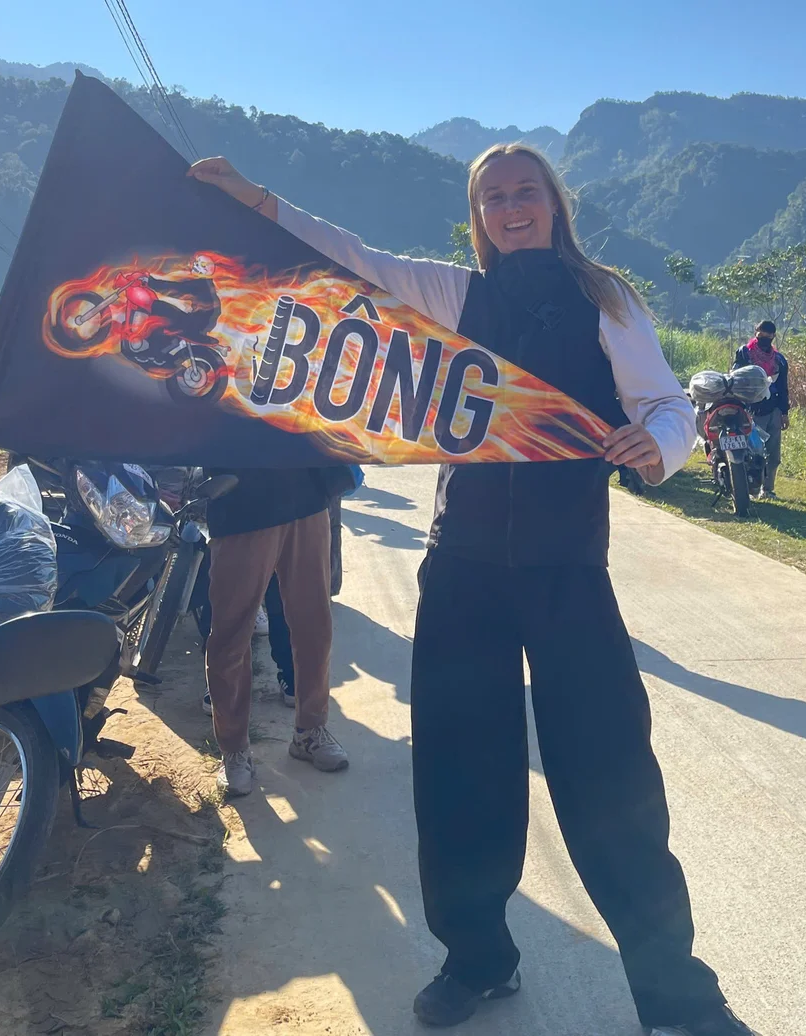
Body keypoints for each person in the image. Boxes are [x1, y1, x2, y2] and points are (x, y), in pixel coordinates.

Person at [189, 146, 760, 1036]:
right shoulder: (456, 293)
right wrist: (254, 200)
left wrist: (660, 446)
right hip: (461, 567)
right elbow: (350, 257)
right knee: (460, 771)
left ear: (555, 202)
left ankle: (676, 992)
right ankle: (478, 960)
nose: (511, 207)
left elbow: (663, 403)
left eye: (525, 191)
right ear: (477, 213)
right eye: (492, 196)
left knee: (612, 775)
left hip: (569, 564)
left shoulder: (604, 295)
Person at [201, 463, 353, 797]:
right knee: (231, 636)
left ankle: (310, 731)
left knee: (315, 626)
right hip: (240, 503)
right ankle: (234, 749)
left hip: (307, 498)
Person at [733, 320, 789, 499]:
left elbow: (783, 387)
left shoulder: (779, 360)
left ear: (773, 336)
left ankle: (768, 489)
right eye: (761, 334)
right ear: (756, 332)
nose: (764, 337)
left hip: (773, 410)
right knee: (752, 451)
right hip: (751, 409)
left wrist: (784, 412)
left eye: (768, 335)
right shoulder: (745, 353)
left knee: (773, 453)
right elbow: (736, 378)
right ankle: (751, 487)